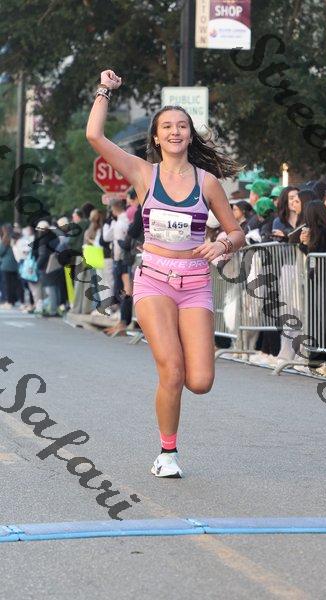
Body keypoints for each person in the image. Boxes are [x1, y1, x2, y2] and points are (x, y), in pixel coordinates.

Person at [86, 69, 245, 478]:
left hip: (195, 283)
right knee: (171, 370)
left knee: (200, 381)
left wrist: (222, 244)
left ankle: (172, 414)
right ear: (156, 137)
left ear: (190, 135)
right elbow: (95, 136)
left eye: (182, 126)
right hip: (154, 279)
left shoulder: (208, 183)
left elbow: (236, 232)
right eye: (167, 126)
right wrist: (105, 90)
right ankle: (167, 453)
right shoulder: (144, 173)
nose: (175, 131)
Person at [299, 200, 326, 378]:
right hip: (319, 279)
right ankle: (320, 360)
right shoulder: (324, 231)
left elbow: (322, 254)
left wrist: (308, 243)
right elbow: (311, 254)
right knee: (318, 319)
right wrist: (304, 244)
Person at [102, 199, 131, 335]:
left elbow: (117, 244)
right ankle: (123, 320)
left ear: (113, 209)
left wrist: (117, 259)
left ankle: (123, 321)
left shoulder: (119, 223)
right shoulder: (126, 220)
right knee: (125, 290)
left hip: (121, 259)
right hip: (126, 259)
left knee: (122, 290)